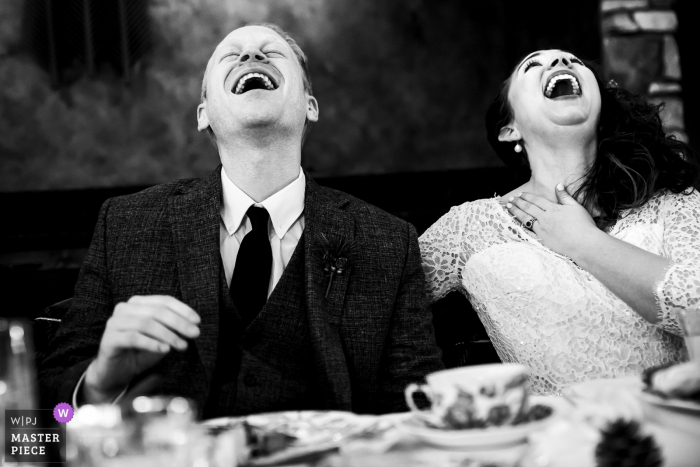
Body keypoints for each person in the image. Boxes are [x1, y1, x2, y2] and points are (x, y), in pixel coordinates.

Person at [39, 23, 443, 416]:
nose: (251, 56)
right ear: (204, 115)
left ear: (309, 106)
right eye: (231, 56)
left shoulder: (389, 242)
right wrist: (98, 383)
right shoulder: (125, 224)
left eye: (272, 53)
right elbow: (46, 414)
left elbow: (418, 408)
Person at [420, 49, 700, 395]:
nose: (561, 63)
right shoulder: (467, 228)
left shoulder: (670, 202)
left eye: (576, 61)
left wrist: (583, 241)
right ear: (510, 130)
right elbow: (380, 302)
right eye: (533, 64)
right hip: (555, 440)